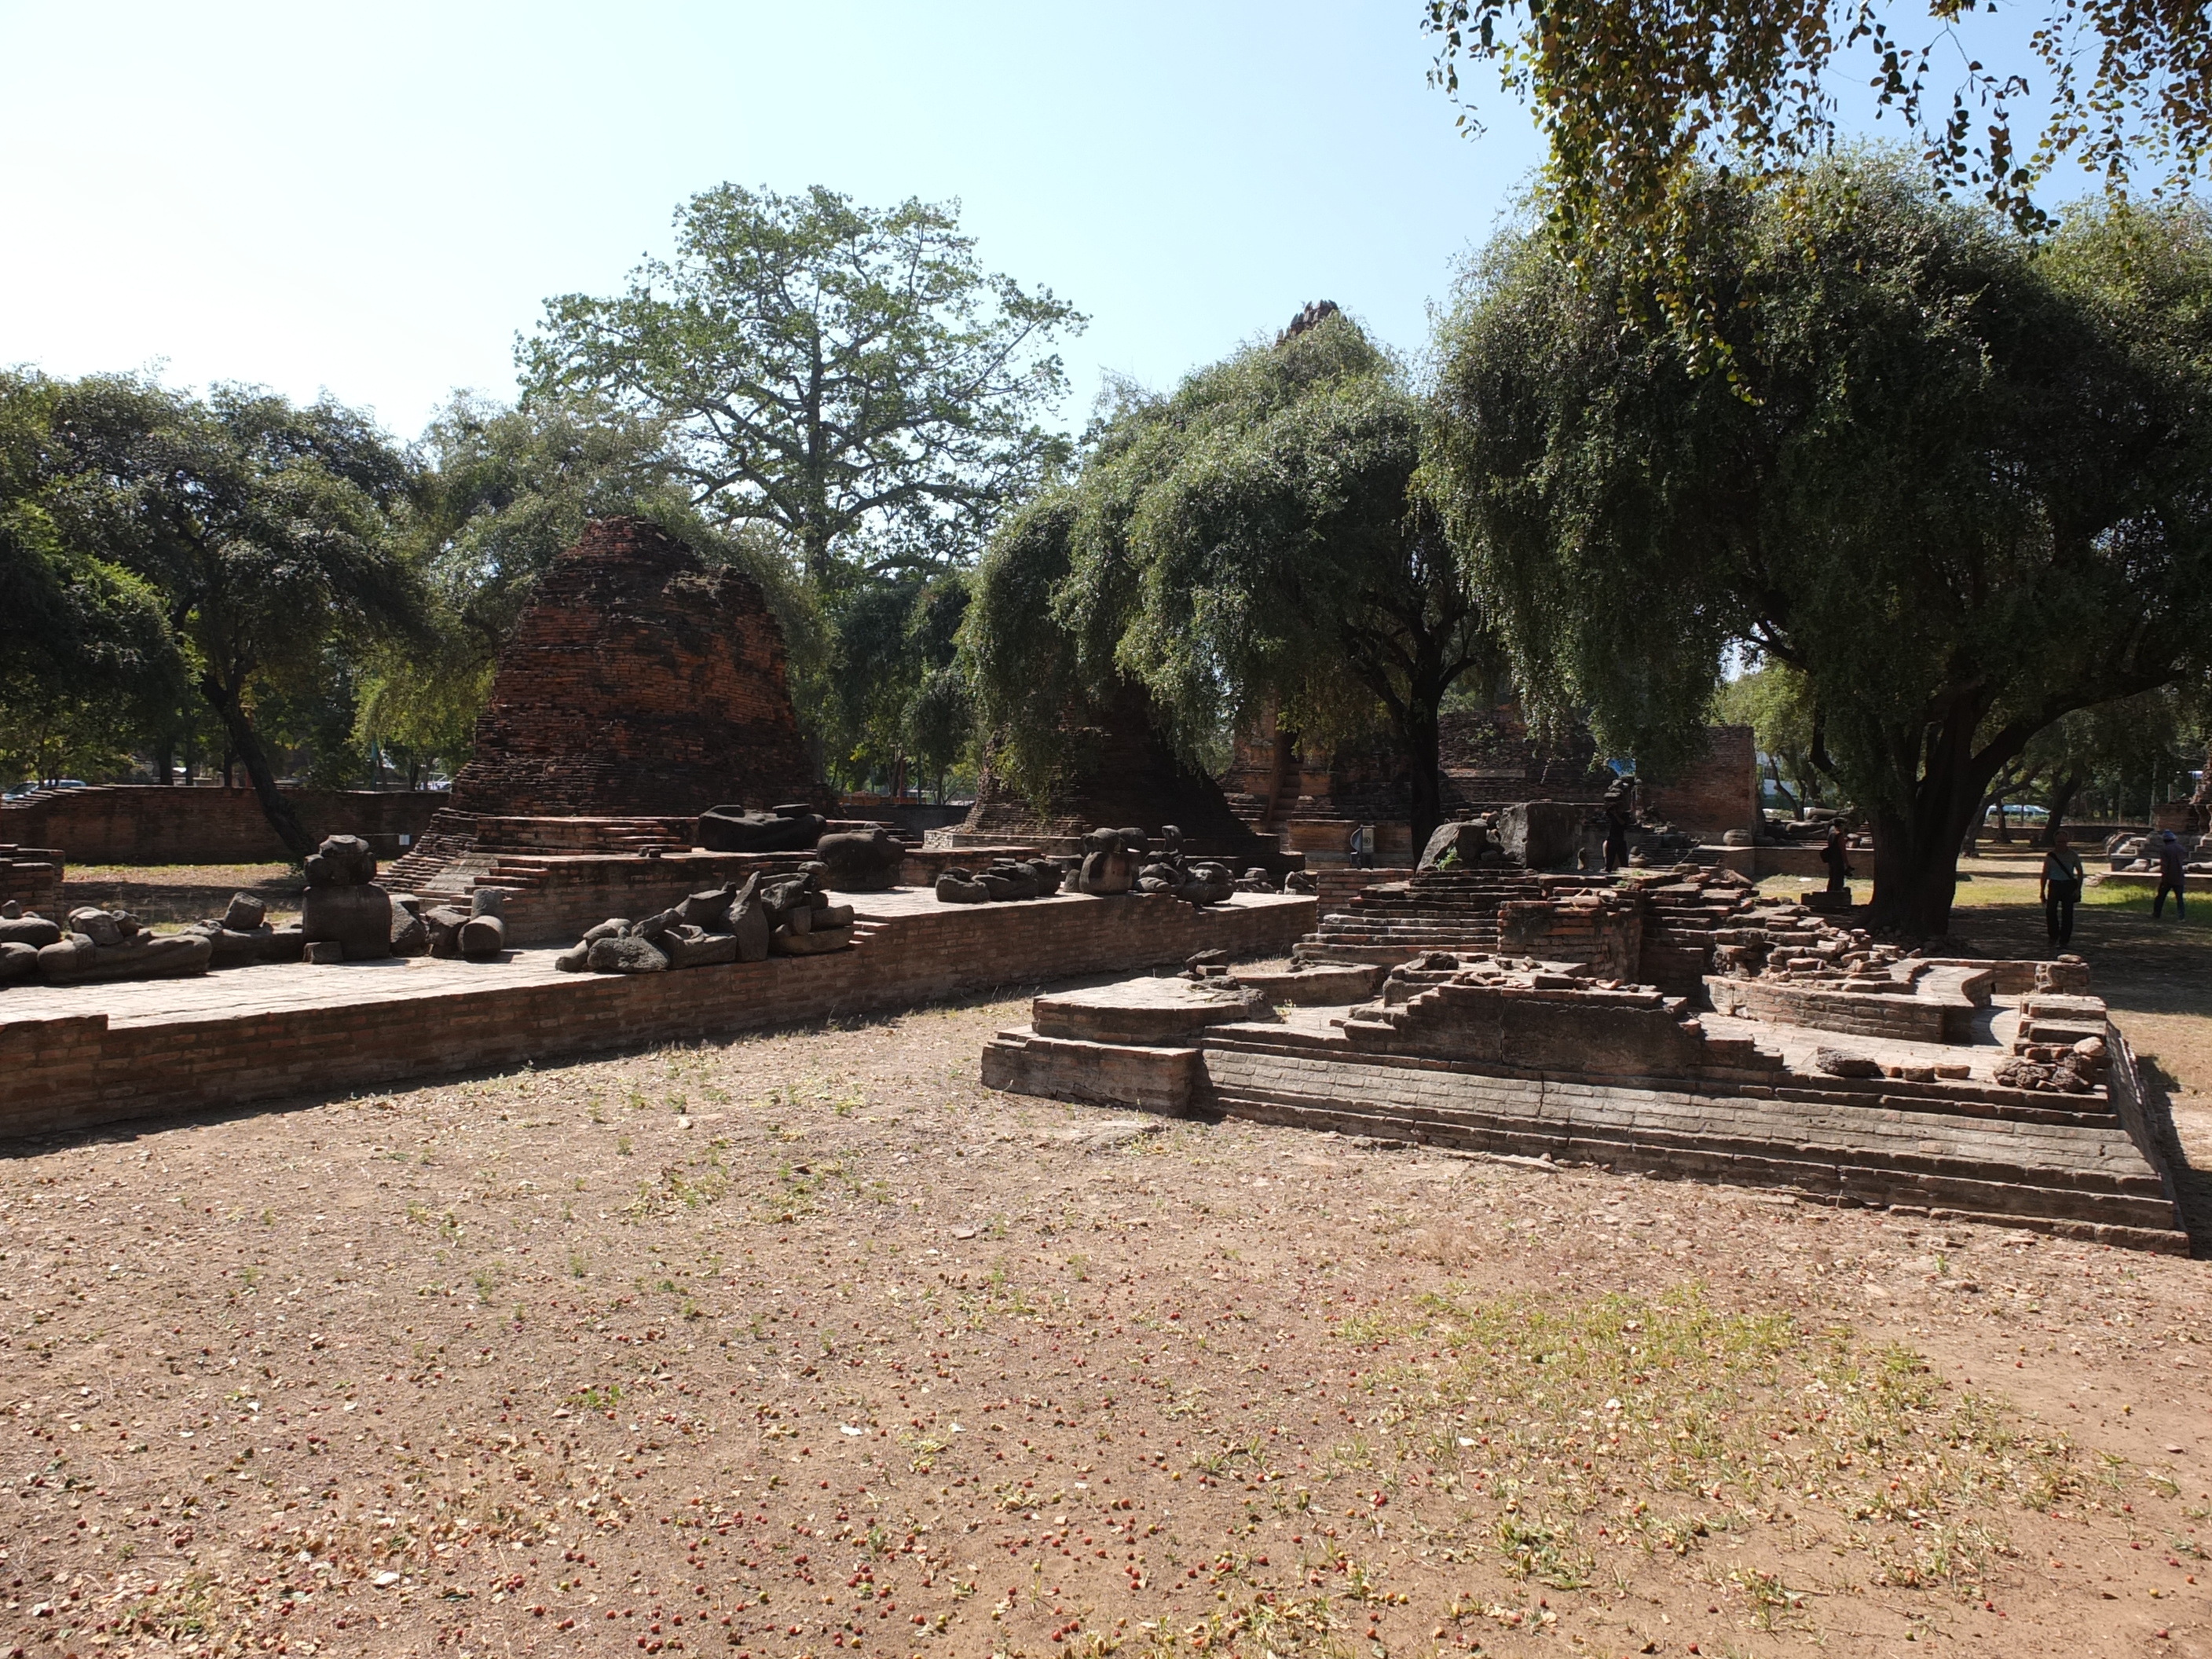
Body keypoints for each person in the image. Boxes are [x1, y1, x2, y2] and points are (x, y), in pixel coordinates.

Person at [2040, 829, 2085, 947]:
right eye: (2059, 842)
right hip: (2054, 884)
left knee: (2067, 914)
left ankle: (2064, 940)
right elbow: (2045, 873)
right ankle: (2053, 936)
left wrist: (2078, 889)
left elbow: (2080, 872)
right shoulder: (2050, 856)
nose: (2062, 844)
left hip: (2068, 885)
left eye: (2064, 842)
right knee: (2051, 912)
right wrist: (2042, 891)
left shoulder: (2073, 855)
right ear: (2055, 841)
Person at [2153, 829, 2188, 919]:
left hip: (2168, 877)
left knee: (2160, 897)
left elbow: (2164, 864)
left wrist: (2163, 875)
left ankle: (2157, 914)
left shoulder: (2165, 849)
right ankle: (2181, 916)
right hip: (2179, 876)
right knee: (2179, 898)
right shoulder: (2181, 848)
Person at [1821, 822, 1853, 899]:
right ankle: (1837, 896)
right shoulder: (1840, 836)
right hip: (1838, 859)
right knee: (1838, 879)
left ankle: (1830, 895)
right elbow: (1842, 851)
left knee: (1832, 877)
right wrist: (1847, 864)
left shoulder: (1831, 835)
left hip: (1831, 859)